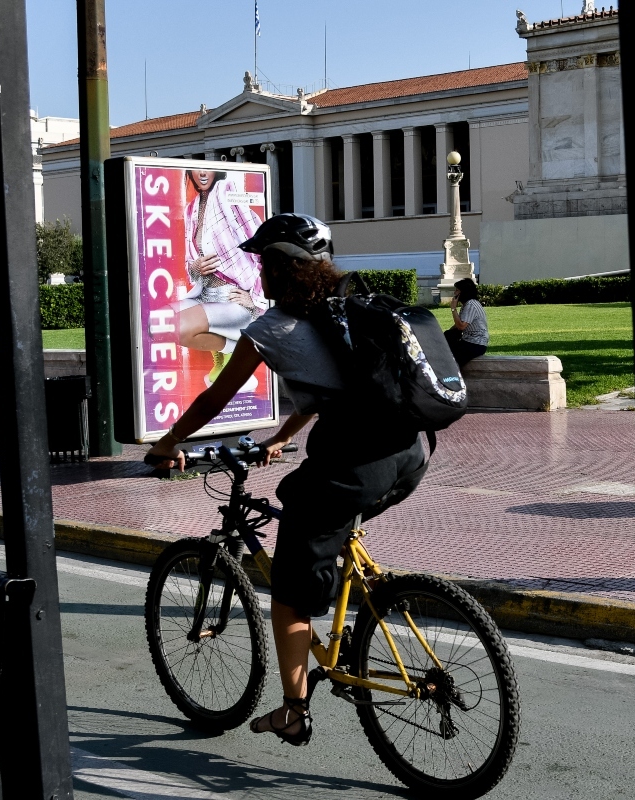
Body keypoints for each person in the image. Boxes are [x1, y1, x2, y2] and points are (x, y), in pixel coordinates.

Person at [145, 213, 426, 747]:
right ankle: (345, 602)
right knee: (322, 521)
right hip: (409, 453)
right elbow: (330, 389)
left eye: (261, 263)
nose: (258, 273)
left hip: (352, 465)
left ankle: (293, 711)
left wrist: (167, 443)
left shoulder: (269, 329)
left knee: (291, 587)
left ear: (276, 269)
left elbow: (214, 397)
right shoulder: (344, 310)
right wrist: (281, 435)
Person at [175, 169, 268, 388]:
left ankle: (232, 352)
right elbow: (191, 263)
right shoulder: (191, 209)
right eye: (196, 170)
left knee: (179, 326)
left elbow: (261, 245)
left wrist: (255, 298)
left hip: (231, 296)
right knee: (157, 324)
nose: (202, 174)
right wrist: (195, 266)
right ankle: (227, 350)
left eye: (207, 168)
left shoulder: (226, 191)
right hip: (205, 293)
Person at [445, 277, 489, 367]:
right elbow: (457, 326)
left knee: (451, 360)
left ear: (463, 292)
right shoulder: (468, 304)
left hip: (475, 343)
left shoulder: (471, 305)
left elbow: (461, 326)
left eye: (457, 290)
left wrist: (453, 309)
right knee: (448, 337)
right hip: (470, 341)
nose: (454, 293)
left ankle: (452, 377)